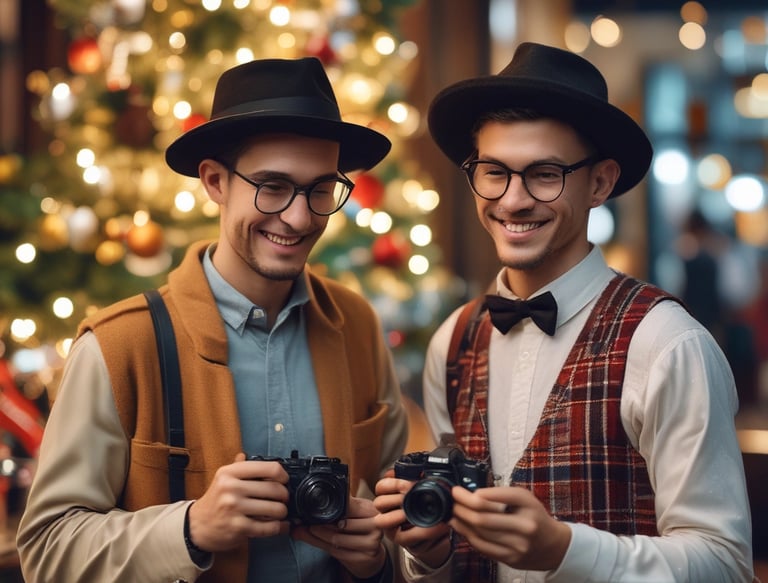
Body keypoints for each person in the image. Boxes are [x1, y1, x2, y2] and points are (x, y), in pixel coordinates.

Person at [17, 57, 409, 583]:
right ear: (215, 181)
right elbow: (45, 550)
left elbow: (399, 517)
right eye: (272, 186)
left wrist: (380, 553)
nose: (300, 217)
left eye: (320, 189)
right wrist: (190, 528)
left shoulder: (357, 325)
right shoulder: (120, 345)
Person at [374, 42, 755, 582]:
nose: (512, 200)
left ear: (599, 182)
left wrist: (564, 550)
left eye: (545, 174)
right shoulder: (452, 341)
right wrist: (430, 555)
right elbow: (454, 565)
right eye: (493, 171)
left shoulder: (668, 343)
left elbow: (726, 565)